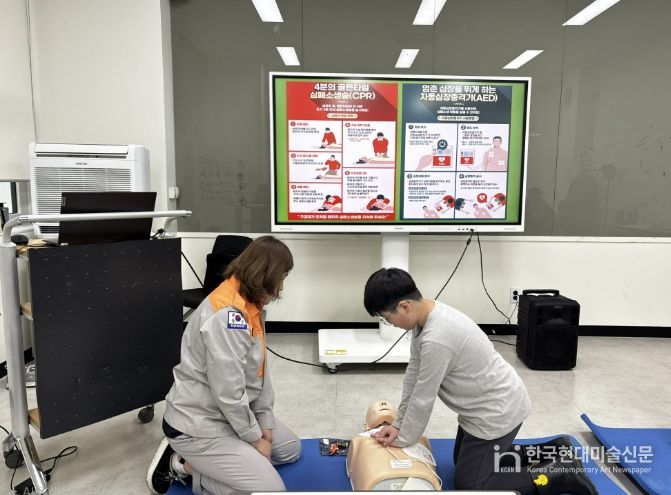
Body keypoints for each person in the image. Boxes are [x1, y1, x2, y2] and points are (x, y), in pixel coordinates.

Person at [363, 268, 598, 495]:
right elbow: (413, 377)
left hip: (496, 412)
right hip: (486, 406)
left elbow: (423, 396)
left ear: (404, 306)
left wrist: (404, 439)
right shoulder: (426, 318)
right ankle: (556, 449)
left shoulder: (437, 338)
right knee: (462, 462)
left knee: (471, 485)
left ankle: (560, 473)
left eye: (387, 319)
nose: (391, 324)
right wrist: (398, 425)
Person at [147, 236, 300, 495]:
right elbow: (228, 392)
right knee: (269, 490)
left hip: (229, 414)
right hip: (198, 423)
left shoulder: (250, 304)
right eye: (281, 277)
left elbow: (260, 374)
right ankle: (183, 466)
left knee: (289, 449)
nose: (281, 287)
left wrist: (264, 421)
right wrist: (254, 438)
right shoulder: (227, 315)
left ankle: (215, 459)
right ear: (266, 275)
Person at [347, 400, 441, 491]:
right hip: (421, 481)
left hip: (423, 479)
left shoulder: (420, 438)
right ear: (366, 425)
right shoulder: (359, 440)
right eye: (375, 407)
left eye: (389, 405)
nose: (383, 403)